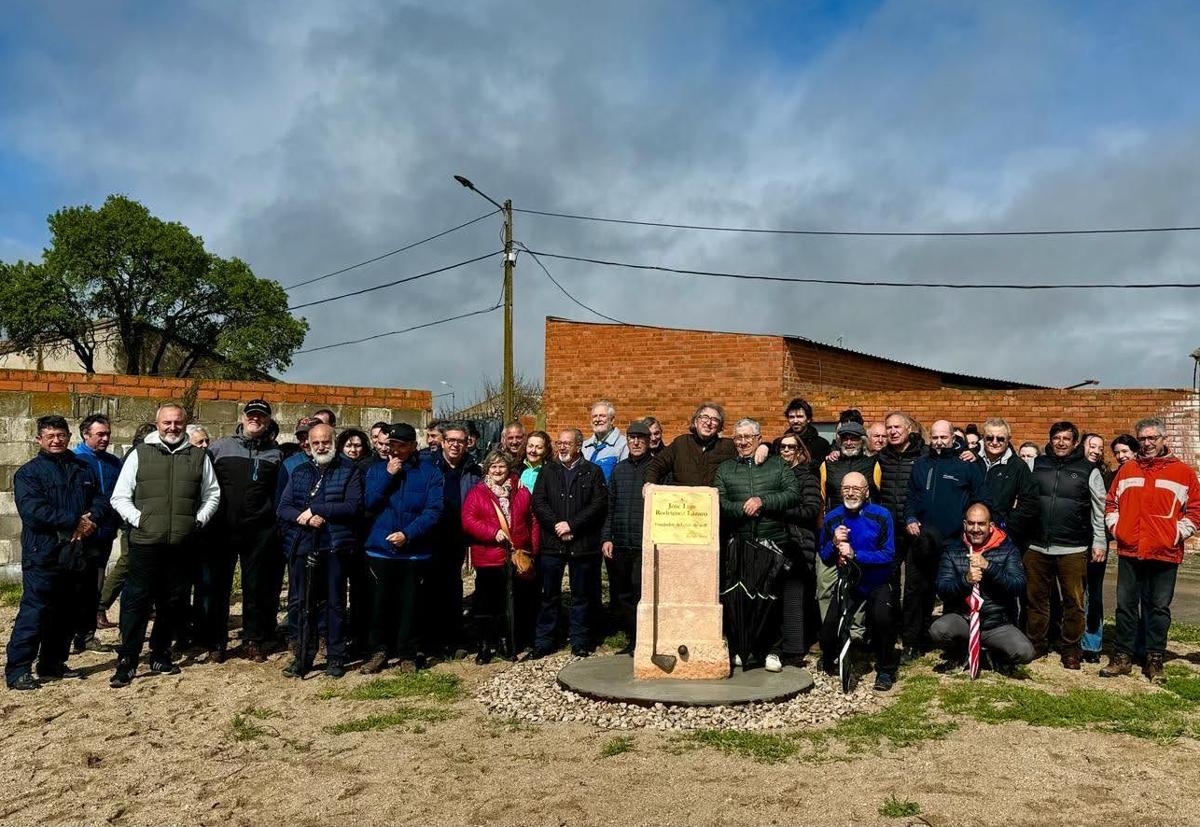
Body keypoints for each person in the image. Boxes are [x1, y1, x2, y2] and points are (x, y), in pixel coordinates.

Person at [108, 404, 220, 687]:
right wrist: (140, 520)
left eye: (178, 423)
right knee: (136, 601)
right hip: (146, 542)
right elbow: (120, 497)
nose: (173, 427)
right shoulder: (139, 454)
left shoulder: (198, 456)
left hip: (182, 543)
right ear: (157, 424)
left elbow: (212, 494)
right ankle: (128, 659)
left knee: (173, 602)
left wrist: (198, 521)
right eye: (167, 422)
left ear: (185, 424)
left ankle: (160, 653)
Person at [5, 415, 109, 690]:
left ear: (68, 437)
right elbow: (33, 511)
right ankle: (18, 670)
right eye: (49, 436)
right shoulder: (29, 473)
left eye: (61, 435)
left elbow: (100, 499)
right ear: (39, 439)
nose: (56, 440)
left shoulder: (82, 467)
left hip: (76, 551)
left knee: (66, 612)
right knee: (35, 611)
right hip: (43, 552)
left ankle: (52, 664)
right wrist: (74, 520)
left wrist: (91, 519)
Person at [1101, 418, 1200, 682]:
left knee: (1158, 608)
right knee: (1125, 607)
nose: (1148, 443)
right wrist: (1117, 529)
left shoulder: (1183, 472)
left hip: (1165, 553)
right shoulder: (1127, 469)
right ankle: (1122, 657)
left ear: (1163, 439)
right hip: (1130, 550)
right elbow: (1111, 504)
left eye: (1153, 438)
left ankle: (1154, 659)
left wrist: (1175, 534)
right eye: (1143, 438)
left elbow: (1195, 511)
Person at [276, 422, 363, 678]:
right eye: (316, 443)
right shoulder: (301, 471)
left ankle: (335, 657)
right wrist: (304, 518)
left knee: (335, 604)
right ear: (309, 445)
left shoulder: (349, 470)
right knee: (303, 604)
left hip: (334, 546)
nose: (321, 446)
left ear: (333, 442)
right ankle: (302, 656)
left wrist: (318, 510)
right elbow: (284, 507)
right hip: (303, 545)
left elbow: (352, 506)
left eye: (325, 441)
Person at [715, 419, 802, 672]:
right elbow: (718, 500)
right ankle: (745, 648)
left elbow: (793, 493)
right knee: (741, 599)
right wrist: (743, 509)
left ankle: (773, 650)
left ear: (759, 438)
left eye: (748, 437)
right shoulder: (725, 469)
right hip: (740, 542)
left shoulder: (776, 465)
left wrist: (762, 501)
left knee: (772, 599)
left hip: (774, 541)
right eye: (738, 437)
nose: (743, 442)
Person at [902, 419, 990, 660]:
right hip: (922, 539)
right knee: (916, 591)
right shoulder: (921, 464)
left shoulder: (967, 465)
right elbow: (911, 496)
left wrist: (972, 530)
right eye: (935, 437)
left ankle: (954, 644)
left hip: (954, 542)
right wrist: (910, 517)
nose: (939, 442)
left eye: (944, 437)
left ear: (953, 438)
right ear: (930, 438)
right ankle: (913, 642)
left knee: (955, 591)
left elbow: (980, 499)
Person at [362, 423, 444, 673]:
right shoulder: (377, 470)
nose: (393, 451)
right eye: (390, 445)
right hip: (380, 549)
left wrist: (408, 534)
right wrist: (388, 475)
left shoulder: (430, 473)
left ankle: (408, 653)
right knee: (379, 605)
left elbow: (434, 510)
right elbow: (368, 503)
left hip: (414, 550)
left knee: (411, 605)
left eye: (399, 446)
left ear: (412, 446)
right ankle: (378, 651)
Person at [206, 399, 284, 663]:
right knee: (219, 588)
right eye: (251, 415)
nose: (255, 420)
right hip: (222, 529)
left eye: (261, 417)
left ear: (268, 421)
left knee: (255, 588)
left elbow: (278, 493)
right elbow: (206, 487)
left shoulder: (275, 453)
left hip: (259, 532)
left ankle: (253, 639)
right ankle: (217, 642)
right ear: (242, 417)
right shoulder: (218, 448)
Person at [1027, 421, 1107, 670]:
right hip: (1036, 546)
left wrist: (1100, 541)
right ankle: (1036, 644)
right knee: (1036, 599)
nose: (1061, 442)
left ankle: (1071, 650)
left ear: (1075, 443)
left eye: (1066, 438)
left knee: (1074, 602)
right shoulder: (1035, 464)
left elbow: (1099, 510)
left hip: (1073, 548)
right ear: (1050, 440)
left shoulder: (1088, 469)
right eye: (1056, 437)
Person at [818, 471, 899, 691]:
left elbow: (888, 554)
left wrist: (856, 555)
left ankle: (885, 669)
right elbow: (824, 556)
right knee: (829, 628)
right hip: (849, 582)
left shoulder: (881, 515)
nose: (851, 493)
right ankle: (829, 658)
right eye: (846, 488)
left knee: (883, 619)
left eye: (856, 488)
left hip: (877, 581)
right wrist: (834, 542)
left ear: (866, 491)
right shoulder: (832, 517)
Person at [531, 428, 608, 657]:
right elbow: (539, 502)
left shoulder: (592, 472)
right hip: (552, 544)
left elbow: (598, 504)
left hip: (582, 544)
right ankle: (545, 640)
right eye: (559, 443)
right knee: (549, 595)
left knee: (581, 595)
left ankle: (580, 640)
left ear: (579, 446)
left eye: (567, 443)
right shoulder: (548, 470)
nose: (562, 447)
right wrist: (557, 525)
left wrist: (572, 525)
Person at [931, 503, 1035, 673]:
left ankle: (995, 654)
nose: (976, 529)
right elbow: (942, 588)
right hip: (964, 619)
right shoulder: (952, 551)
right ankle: (963, 651)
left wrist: (990, 567)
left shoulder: (1008, 550)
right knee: (938, 630)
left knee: (1025, 652)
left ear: (991, 526)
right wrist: (965, 580)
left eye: (981, 524)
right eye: (971, 523)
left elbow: (1018, 585)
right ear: (965, 524)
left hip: (996, 624)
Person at [461, 451, 538, 663]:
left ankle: (507, 642)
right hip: (488, 557)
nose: (497, 471)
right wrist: (492, 532)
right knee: (486, 603)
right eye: (493, 467)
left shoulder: (521, 491)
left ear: (509, 468)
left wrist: (533, 548)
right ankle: (485, 645)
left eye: (501, 466)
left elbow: (532, 519)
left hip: (515, 555)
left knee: (511, 603)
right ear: (487, 469)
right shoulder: (478, 492)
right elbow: (468, 519)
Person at [427, 422, 482, 659]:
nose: (455, 445)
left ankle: (453, 636)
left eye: (460, 441)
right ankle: (431, 639)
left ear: (467, 442)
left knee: (452, 585)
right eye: (451, 440)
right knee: (430, 587)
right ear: (442, 442)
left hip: (458, 536)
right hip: (431, 534)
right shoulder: (429, 466)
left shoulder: (473, 470)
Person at [601, 420, 654, 652]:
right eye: (632, 438)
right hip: (620, 542)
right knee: (622, 594)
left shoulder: (655, 469)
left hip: (644, 544)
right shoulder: (619, 470)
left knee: (640, 592)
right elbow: (609, 506)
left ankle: (645, 640)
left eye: (640, 438)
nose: (635, 442)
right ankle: (632, 639)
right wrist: (607, 537)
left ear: (648, 441)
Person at [71, 413, 123, 652]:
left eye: (107, 434)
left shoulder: (114, 462)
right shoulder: (74, 461)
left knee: (95, 585)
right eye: (99, 434)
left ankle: (87, 634)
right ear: (85, 435)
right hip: (79, 534)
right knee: (74, 587)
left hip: (105, 533)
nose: (105, 438)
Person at [97, 422, 155, 626]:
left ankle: (146, 606)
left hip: (141, 519)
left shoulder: (137, 454)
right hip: (133, 520)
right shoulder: (137, 456)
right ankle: (100, 606)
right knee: (127, 562)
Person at [777, 433, 824, 661]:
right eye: (782, 447)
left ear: (799, 451)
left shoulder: (806, 478)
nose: (786, 451)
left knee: (796, 595)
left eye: (790, 447)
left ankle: (795, 650)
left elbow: (811, 509)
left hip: (800, 540)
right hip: (778, 540)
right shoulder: (776, 476)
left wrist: (780, 510)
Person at [978, 418, 1039, 549]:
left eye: (1000, 439)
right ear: (983, 438)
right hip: (971, 534)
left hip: (1002, 537)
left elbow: (1029, 502)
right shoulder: (972, 461)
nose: (994, 443)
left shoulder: (1018, 466)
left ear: (1008, 439)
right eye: (989, 438)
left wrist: (1006, 525)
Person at [645, 402, 736, 487]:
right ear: (696, 422)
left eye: (714, 419)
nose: (708, 423)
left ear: (719, 426)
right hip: (683, 501)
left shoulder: (728, 446)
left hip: (714, 502)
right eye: (704, 417)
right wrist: (649, 484)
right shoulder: (681, 443)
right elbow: (655, 465)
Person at [1079, 432, 1113, 662]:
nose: (1096, 451)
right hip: (1072, 540)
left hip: (1095, 541)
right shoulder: (1072, 469)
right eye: (1092, 446)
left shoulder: (1105, 475)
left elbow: (1103, 511)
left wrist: (1100, 541)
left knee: (1093, 593)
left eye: (1100, 448)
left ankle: (1091, 644)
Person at [819, 421, 881, 511]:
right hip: (836, 519)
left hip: (866, 520)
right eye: (845, 439)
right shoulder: (828, 465)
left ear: (862, 441)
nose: (848, 443)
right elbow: (821, 499)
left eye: (853, 439)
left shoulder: (873, 464)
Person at [774, 397, 830, 474]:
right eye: (791, 417)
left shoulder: (821, 444)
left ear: (808, 419)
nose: (795, 421)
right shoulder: (779, 443)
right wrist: (764, 446)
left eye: (800, 417)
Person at [582, 400, 629, 482]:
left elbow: (624, 478)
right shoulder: (585, 446)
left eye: (602, 416)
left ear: (612, 420)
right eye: (594, 416)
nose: (597, 419)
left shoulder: (623, 444)